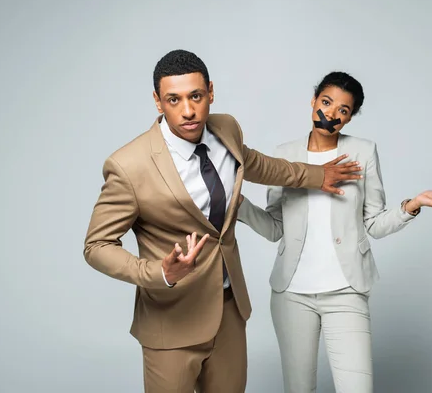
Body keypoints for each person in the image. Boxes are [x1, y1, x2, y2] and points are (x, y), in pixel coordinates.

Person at [83, 51, 363, 393]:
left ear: (210, 93)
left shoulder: (225, 128)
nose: (188, 111)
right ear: (158, 101)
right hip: (171, 319)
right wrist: (158, 273)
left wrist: (317, 175)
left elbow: (260, 165)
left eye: (196, 96)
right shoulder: (129, 165)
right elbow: (96, 247)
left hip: (229, 312)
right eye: (174, 99)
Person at [236, 71, 432, 393]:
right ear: (314, 101)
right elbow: (276, 228)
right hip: (292, 294)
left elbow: (373, 223)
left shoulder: (362, 152)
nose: (331, 113)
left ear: (349, 118)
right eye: (327, 102)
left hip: (347, 290)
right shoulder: (284, 155)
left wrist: (414, 204)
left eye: (343, 110)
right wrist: (236, 204)